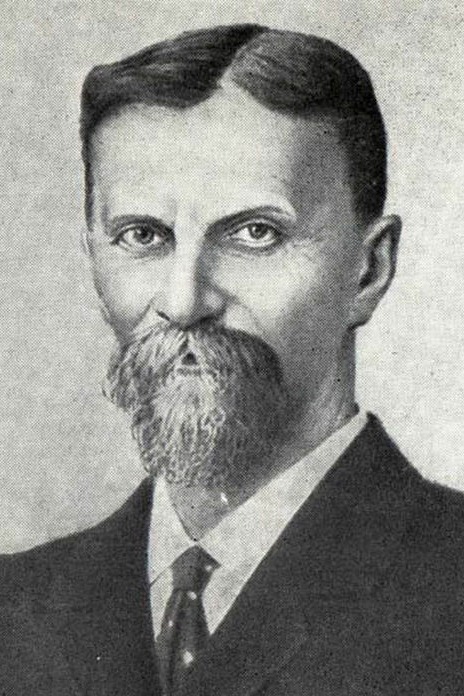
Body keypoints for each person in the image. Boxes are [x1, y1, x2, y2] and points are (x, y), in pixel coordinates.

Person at [1, 24, 463, 696]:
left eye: (255, 233)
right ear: (94, 258)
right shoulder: (14, 610)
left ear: (369, 270)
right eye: (143, 235)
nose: (184, 302)